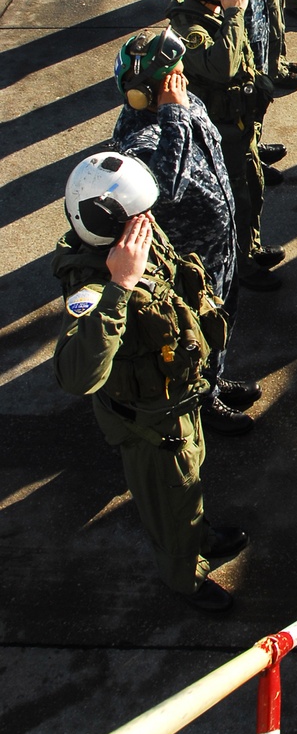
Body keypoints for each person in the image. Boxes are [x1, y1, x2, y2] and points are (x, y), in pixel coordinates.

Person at [52, 151, 247, 613]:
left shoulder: (136, 236)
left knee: (189, 482)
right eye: (137, 213)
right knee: (169, 501)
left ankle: (198, 535)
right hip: (149, 426)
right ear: (106, 221)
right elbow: (78, 376)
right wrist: (120, 286)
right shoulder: (93, 287)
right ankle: (185, 577)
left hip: (178, 403)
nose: (148, 219)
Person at [112, 28, 258, 434]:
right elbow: (166, 190)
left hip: (218, 245)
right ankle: (201, 401)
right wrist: (174, 114)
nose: (185, 79)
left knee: (221, 320)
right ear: (150, 91)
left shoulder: (178, 103)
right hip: (191, 260)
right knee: (197, 332)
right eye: (176, 74)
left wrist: (176, 107)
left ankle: (212, 381)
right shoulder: (139, 139)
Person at [169, 0, 283, 291]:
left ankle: (250, 248)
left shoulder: (210, 9)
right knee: (236, 201)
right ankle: (241, 268)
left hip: (238, 124)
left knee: (252, 188)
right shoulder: (190, 28)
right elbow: (223, 68)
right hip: (221, 133)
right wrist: (234, 13)